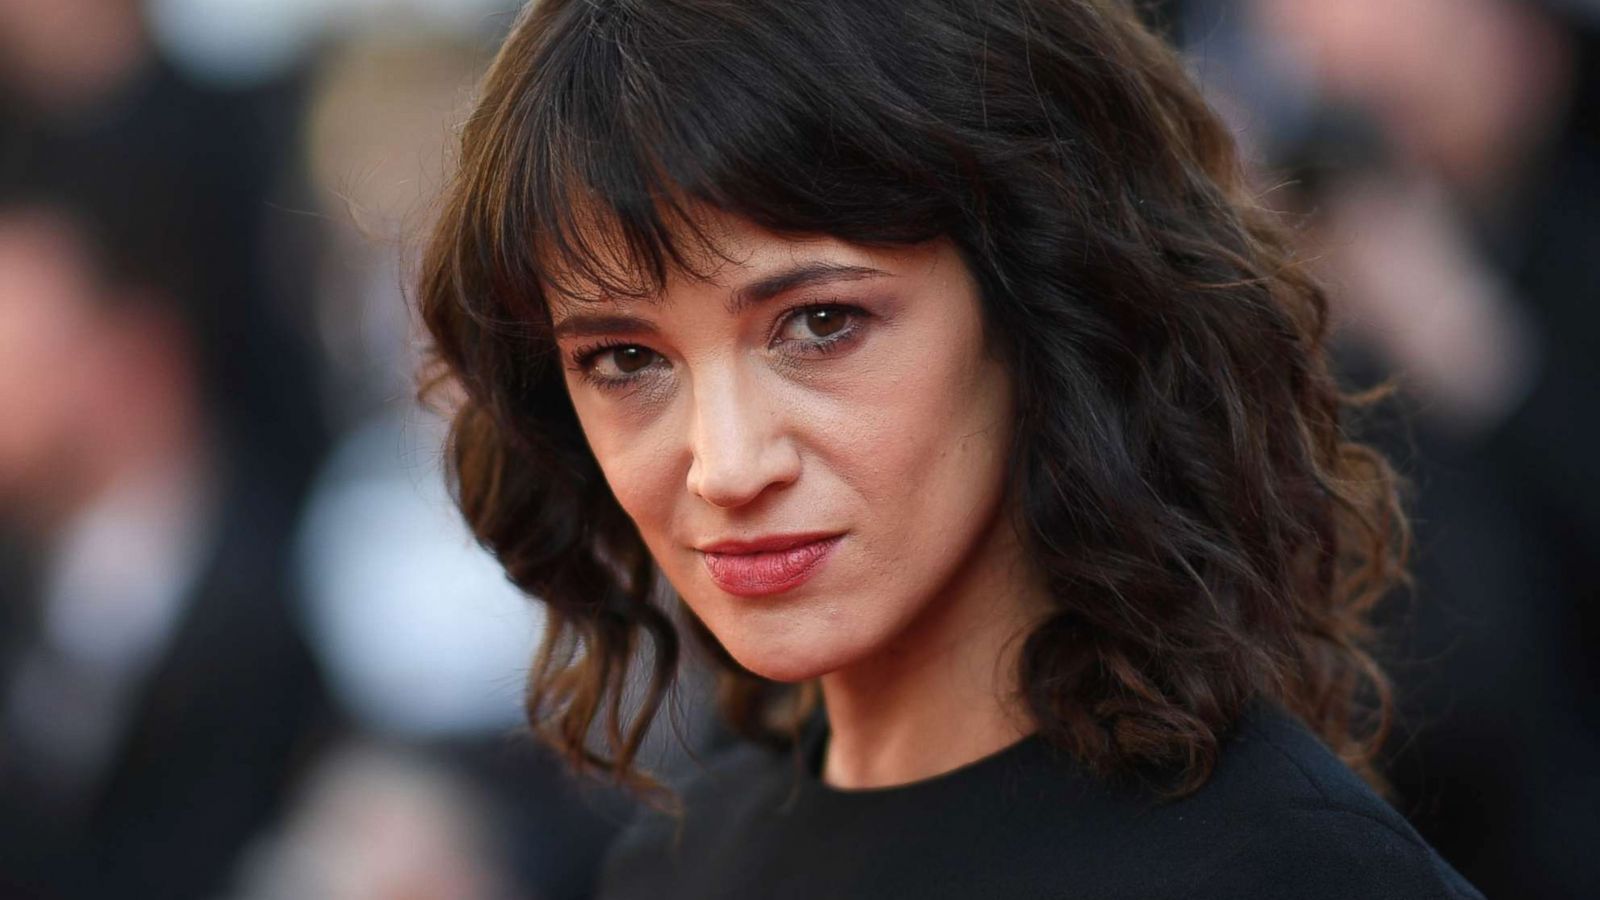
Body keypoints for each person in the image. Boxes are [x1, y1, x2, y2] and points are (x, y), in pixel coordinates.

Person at [415, 1, 1484, 897]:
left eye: (821, 324)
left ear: (1045, 304)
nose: (726, 465)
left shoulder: (1288, 872)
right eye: (623, 360)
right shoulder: (672, 867)